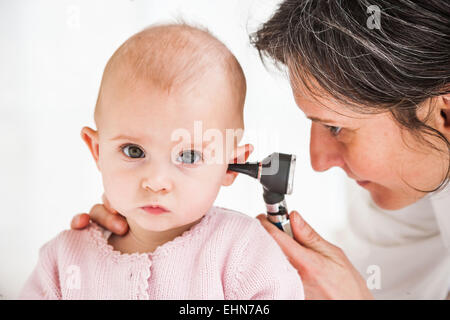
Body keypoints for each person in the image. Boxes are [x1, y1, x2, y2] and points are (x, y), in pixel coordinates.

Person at [72, 1, 450, 299]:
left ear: (445, 114)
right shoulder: (409, 182)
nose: (318, 161)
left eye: (336, 127)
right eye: (134, 150)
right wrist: (136, 249)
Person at [19, 23, 305, 299]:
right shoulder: (62, 260)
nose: (156, 182)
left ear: (230, 165)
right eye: (133, 151)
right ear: (97, 150)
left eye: (189, 156)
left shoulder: (245, 253)